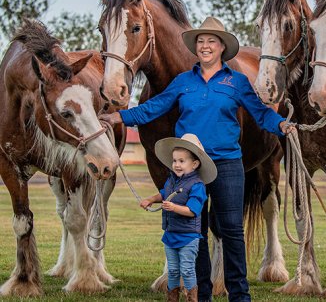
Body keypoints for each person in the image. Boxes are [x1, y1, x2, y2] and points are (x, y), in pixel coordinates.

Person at [99, 16, 293, 302]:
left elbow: (260, 113)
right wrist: (118, 116)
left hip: (227, 164)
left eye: (211, 41)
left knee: (231, 231)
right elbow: (152, 107)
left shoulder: (237, 82)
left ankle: (239, 295)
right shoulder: (183, 82)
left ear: (222, 47)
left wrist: (281, 125)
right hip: (192, 168)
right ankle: (202, 294)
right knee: (194, 232)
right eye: (200, 41)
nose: (205, 46)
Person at [140, 133, 215, 302]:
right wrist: (151, 199)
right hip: (171, 234)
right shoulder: (172, 181)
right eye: (175, 161)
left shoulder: (197, 186)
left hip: (188, 237)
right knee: (173, 270)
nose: (177, 164)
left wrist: (173, 207)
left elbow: (193, 210)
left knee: (187, 270)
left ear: (194, 164)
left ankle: (191, 298)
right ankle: (172, 298)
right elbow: (164, 193)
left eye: (182, 161)